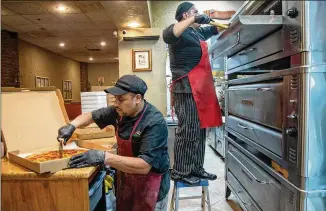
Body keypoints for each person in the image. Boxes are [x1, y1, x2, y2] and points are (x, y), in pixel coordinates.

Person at [57, 75, 170, 211]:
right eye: (115, 98)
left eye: (121, 99)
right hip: (126, 183)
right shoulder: (119, 112)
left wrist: (104, 157)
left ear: (138, 99)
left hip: (151, 189)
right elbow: (91, 116)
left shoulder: (154, 122)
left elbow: (144, 166)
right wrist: (71, 125)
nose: (116, 103)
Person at [163, 2, 223, 185]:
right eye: (195, 12)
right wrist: (194, 19)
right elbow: (169, 35)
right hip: (186, 88)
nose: (199, 14)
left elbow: (216, 29)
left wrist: (213, 17)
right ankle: (181, 171)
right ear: (185, 15)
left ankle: (196, 168)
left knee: (200, 129)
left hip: (201, 88)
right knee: (188, 130)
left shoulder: (197, 33)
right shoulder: (177, 32)